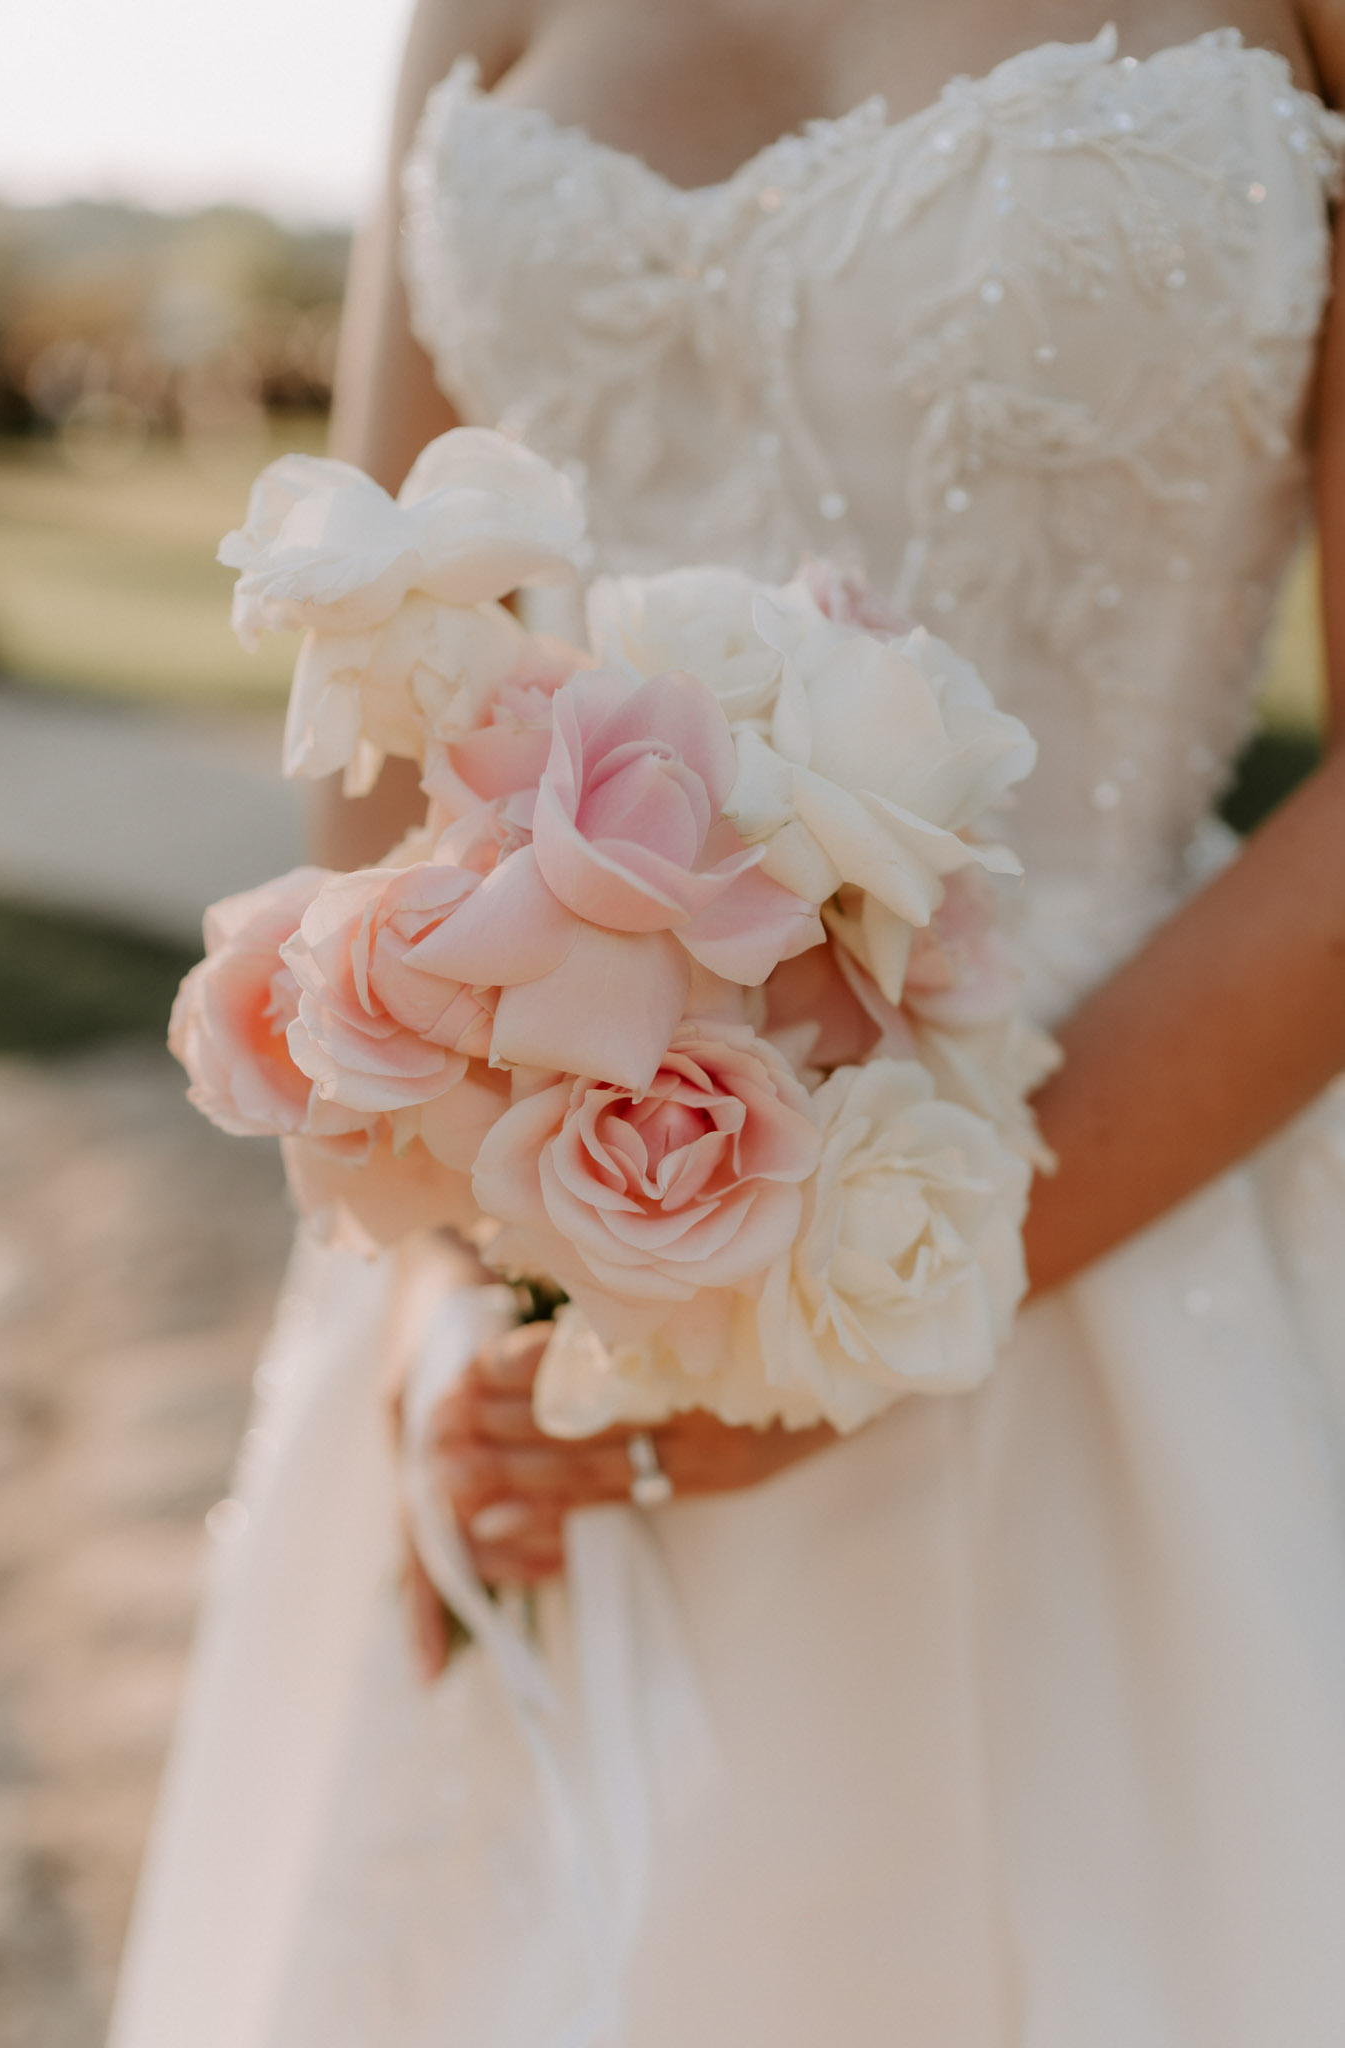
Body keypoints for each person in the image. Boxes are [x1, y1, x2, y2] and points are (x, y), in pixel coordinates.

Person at [109, 4, 1345, 2043]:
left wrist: (871, 1286)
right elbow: (381, 671)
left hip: (1120, 1209)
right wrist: (448, 1285)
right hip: (532, 1267)